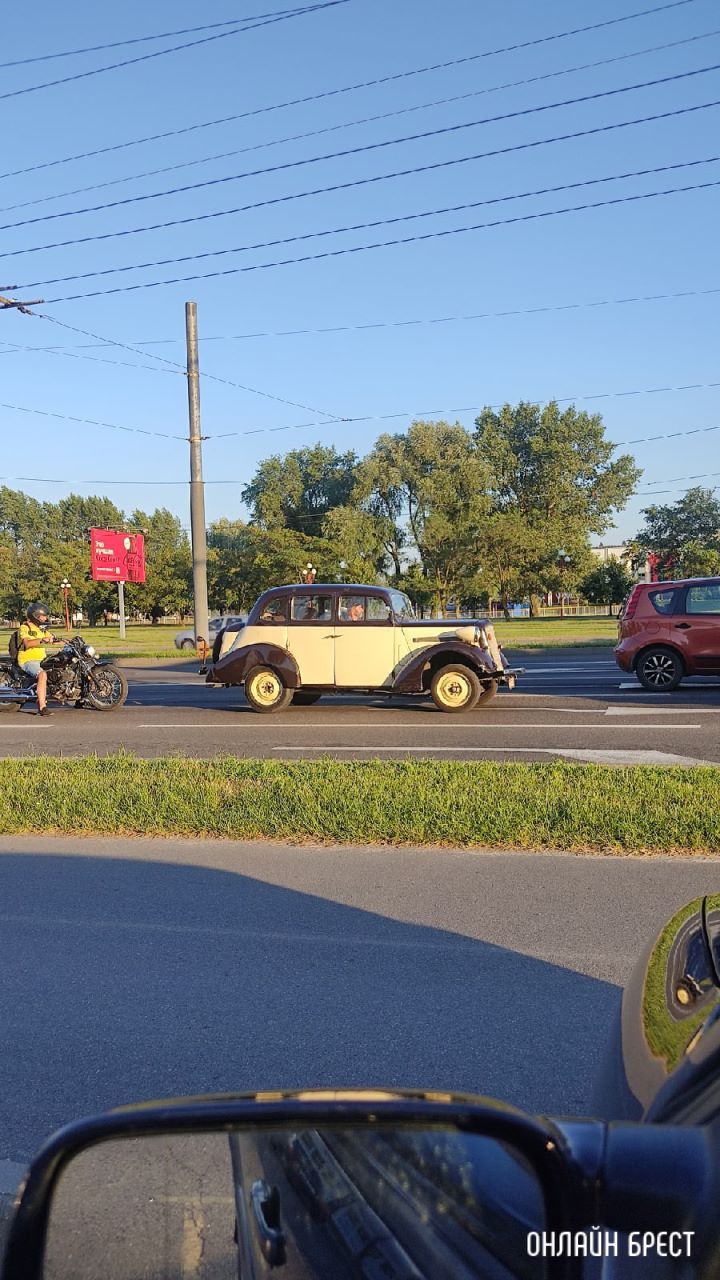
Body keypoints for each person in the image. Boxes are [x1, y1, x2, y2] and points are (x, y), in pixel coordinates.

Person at [17, 602, 61, 717]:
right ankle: (42, 707)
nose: (46, 618)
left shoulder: (41, 629)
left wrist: (71, 641)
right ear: (36, 616)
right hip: (28, 660)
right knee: (42, 675)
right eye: (43, 616)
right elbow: (27, 643)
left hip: (41, 659)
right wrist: (42, 640)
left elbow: (53, 638)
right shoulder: (25, 627)